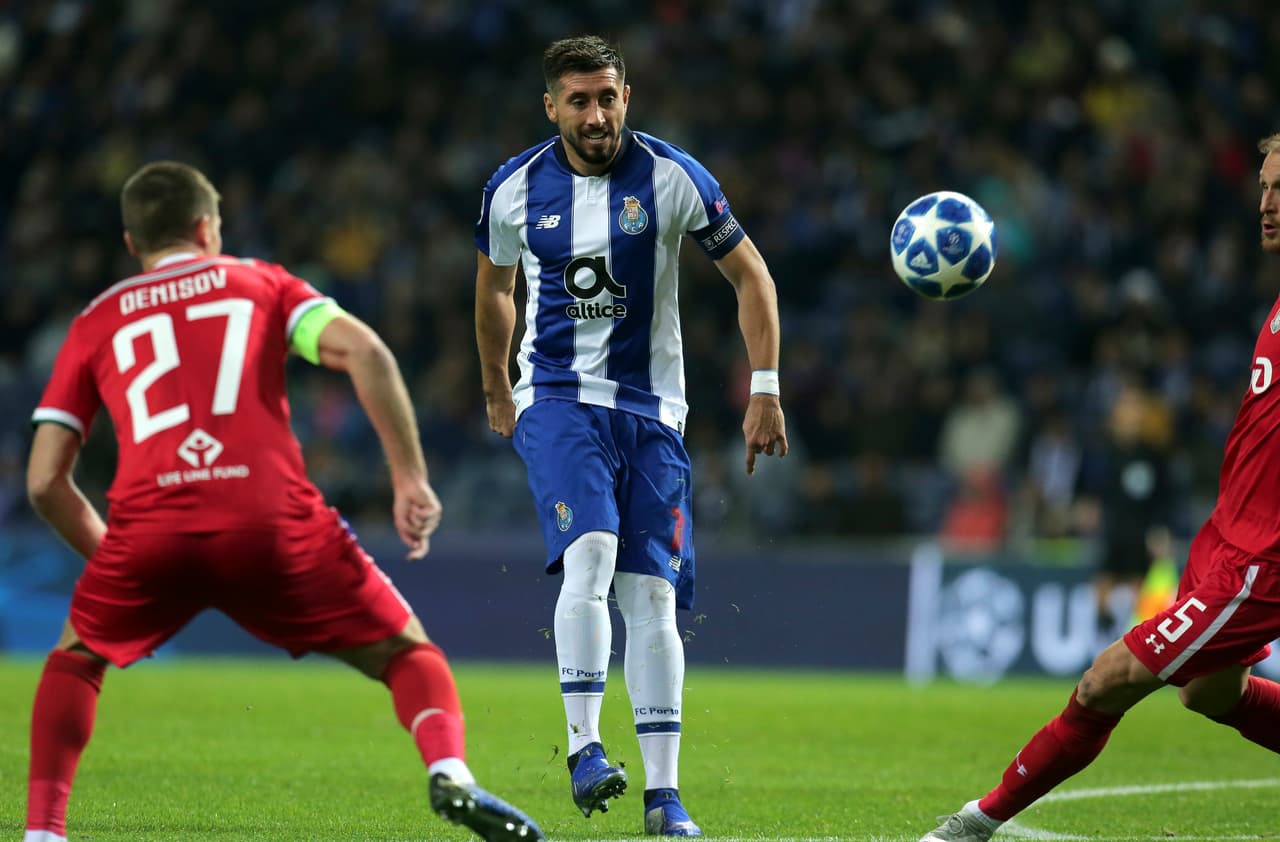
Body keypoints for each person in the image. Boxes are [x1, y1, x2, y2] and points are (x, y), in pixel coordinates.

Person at [23, 161, 543, 842]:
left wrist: (115, 560)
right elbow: (367, 353)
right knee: (407, 654)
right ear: (207, 227)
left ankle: (42, 832)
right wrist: (409, 477)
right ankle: (451, 772)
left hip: (147, 529)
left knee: (76, 658)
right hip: (271, 520)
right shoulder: (260, 284)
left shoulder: (95, 322)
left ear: (132, 243)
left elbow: (42, 482)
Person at [919, 134, 1280, 841]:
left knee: (1103, 681)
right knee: (1211, 693)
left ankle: (974, 824)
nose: (1267, 206)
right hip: (1225, 535)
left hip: (1260, 558)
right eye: (1264, 188)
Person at [474, 36, 788, 837]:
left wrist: (765, 387)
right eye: (578, 100)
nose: (596, 114)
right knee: (594, 555)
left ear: (626, 96)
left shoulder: (674, 178)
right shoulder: (513, 189)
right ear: (552, 107)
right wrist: (496, 387)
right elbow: (495, 290)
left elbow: (752, 273)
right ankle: (583, 748)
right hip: (558, 397)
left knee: (652, 598)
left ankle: (663, 798)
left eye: (607, 97)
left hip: (655, 414)